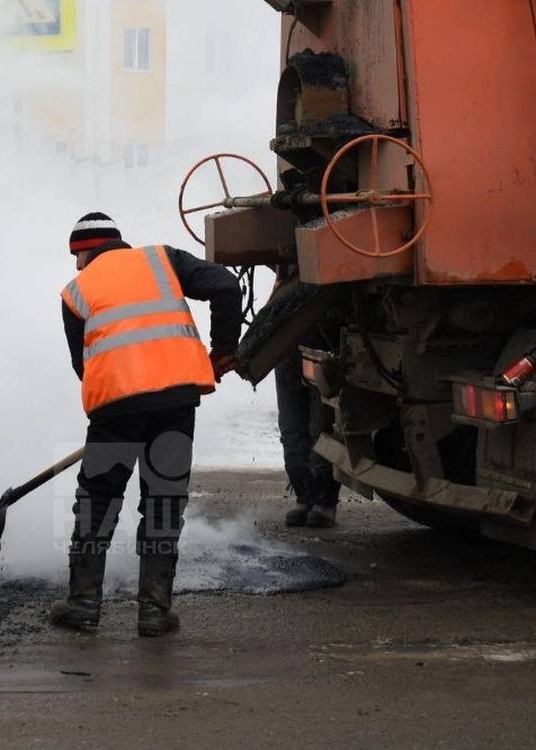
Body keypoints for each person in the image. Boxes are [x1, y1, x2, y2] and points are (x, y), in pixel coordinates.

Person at [53, 212, 242, 636]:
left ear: (82, 254)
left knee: (97, 502)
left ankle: (83, 606)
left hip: (116, 408)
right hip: (175, 401)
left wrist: (119, 402)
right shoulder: (162, 260)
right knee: (163, 500)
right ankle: (154, 613)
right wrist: (224, 350)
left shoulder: (75, 292)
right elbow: (227, 285)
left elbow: (83, 366)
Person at [271, 268, 342, 528]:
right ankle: (304, 495)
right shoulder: (287, 258)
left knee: (319, 427)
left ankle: (324, 500)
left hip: (323, 337)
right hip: (288, 338)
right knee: (291, 427)